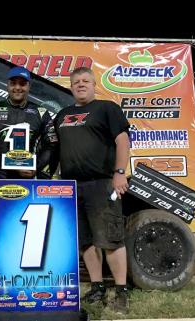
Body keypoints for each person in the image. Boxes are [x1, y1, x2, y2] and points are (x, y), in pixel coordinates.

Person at [0, 66, 58, 301]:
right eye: (13, 83)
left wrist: (35, 168)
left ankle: (25, 278)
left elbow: (52, 144)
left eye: (22, 84)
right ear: (7, 85)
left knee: (27, 231)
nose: (17, 88)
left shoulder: (41, 112)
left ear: (28, 86)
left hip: (30, 181)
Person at [53, 67, 130, 314]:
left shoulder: (107, 108)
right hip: (71, 187)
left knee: (110, 239)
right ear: (71, 86)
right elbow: (56, 151)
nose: (81, 84)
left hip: (102, 183)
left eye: (86, 81)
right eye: (76, 82)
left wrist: (119, 173)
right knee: (85, 241)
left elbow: (122, 141)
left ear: (94, 84)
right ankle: (97, 287)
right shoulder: (62, 115)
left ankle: (121, 292)